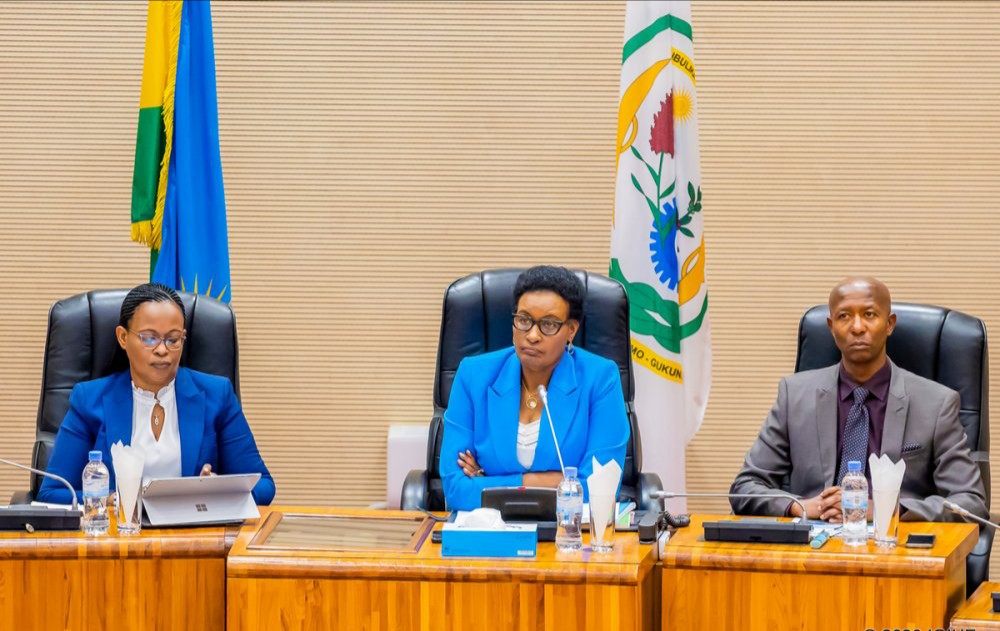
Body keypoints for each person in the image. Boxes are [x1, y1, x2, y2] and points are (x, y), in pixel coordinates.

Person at [730, 276, 986, 522]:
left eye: (869, 314)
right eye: (844, 316)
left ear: (889, 324)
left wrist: (887, 509)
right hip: (812, 543)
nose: (857, 327)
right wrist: (801, 507)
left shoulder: (936, 404)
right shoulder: (794, 395)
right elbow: (746, 486)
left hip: (892, 544)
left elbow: (970, 502)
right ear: (831, 327)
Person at [37, 283, 275, 505]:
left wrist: (218, 491)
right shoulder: (89, 400)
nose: (162, 350)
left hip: (193, 531)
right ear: (123, 337)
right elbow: (52, 492)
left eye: (173, 339)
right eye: (149, 338)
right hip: (120, 531)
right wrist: (110, 500)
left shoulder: (217, 395)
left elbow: (264, 486)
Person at [439, 265, 630, 511]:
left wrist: (487, 482)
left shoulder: (601, 379)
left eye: (548, 324)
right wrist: (555, 482)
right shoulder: (473, 375)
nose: (532, 335)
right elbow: (455, 489)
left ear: (571, 330)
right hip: (489, 530)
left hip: (566, 530)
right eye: (524, 320)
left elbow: (599, 490)